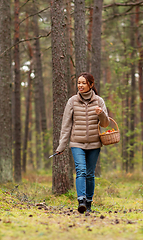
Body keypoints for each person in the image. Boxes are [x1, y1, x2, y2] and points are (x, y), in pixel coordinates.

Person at [55, 72, 110, 213]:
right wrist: (61, 145)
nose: (80, 85)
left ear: (91, 85)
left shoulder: (99, 101)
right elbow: (66, 125)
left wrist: (101, 114)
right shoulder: (72, 101)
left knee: (90, 174)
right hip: (77, 143)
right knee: (81, 171)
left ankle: (89, 203)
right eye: (79, 83)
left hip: (94, 144)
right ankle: (81, 201)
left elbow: (105, 124)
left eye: (83, 83)